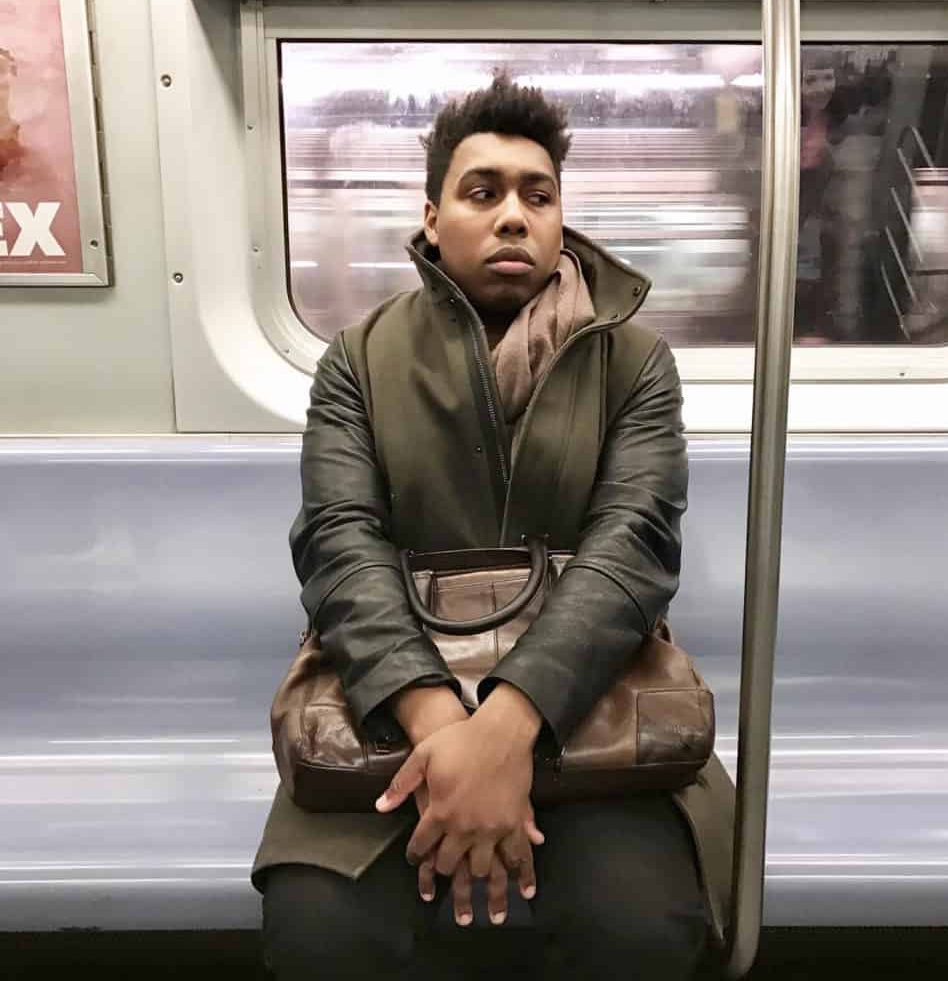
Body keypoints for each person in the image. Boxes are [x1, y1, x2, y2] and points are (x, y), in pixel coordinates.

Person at [252, 71, 734, 981]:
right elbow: (340, 547)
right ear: (433, 217)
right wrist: (445, 731)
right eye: (483, 193)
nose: (514, 215)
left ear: (559, 219)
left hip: (587, 704)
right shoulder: (358, 360)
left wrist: (504, 730)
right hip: (394, 708)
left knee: (640, 924)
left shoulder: (631, 359)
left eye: (537, 195)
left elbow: (632, 551)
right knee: (322, 933)